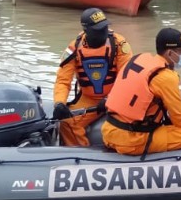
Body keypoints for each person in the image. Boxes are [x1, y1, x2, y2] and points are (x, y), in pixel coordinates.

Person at [101, 28, 181, 156]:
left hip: (108, 130)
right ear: (170, 53)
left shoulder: (139, 59)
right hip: (133, 140)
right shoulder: (166, 77)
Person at [53, 8, 133, 146]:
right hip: (88, 99)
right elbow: (63, 80)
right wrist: (59, 102)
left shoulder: (119, 44)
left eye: (105, 27)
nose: (103, 31)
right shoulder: (74, 48)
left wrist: (110, 99)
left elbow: (128, 78)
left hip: (117, 97)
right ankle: (81, 156)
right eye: (98, 29)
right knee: (66, 122)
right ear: (86, 30)